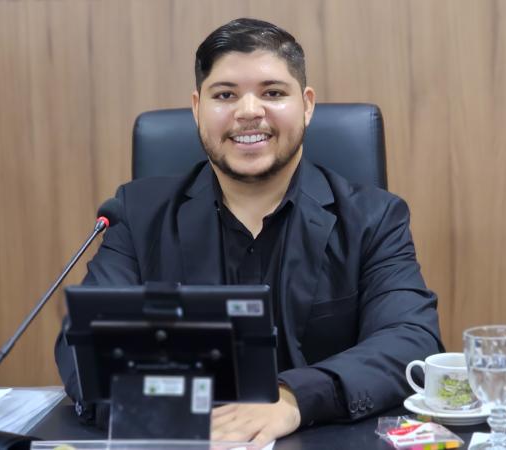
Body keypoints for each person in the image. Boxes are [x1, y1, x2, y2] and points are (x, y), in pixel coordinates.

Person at [55, 17, 443, 446]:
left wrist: (293, 397)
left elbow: (410, 340)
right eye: (225, 95)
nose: (249, 111)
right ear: (197, 108)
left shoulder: (373, 217)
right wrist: (187, 413)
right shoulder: (137, 214)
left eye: (273, 93)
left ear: (307, 105)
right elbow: (84, 345)